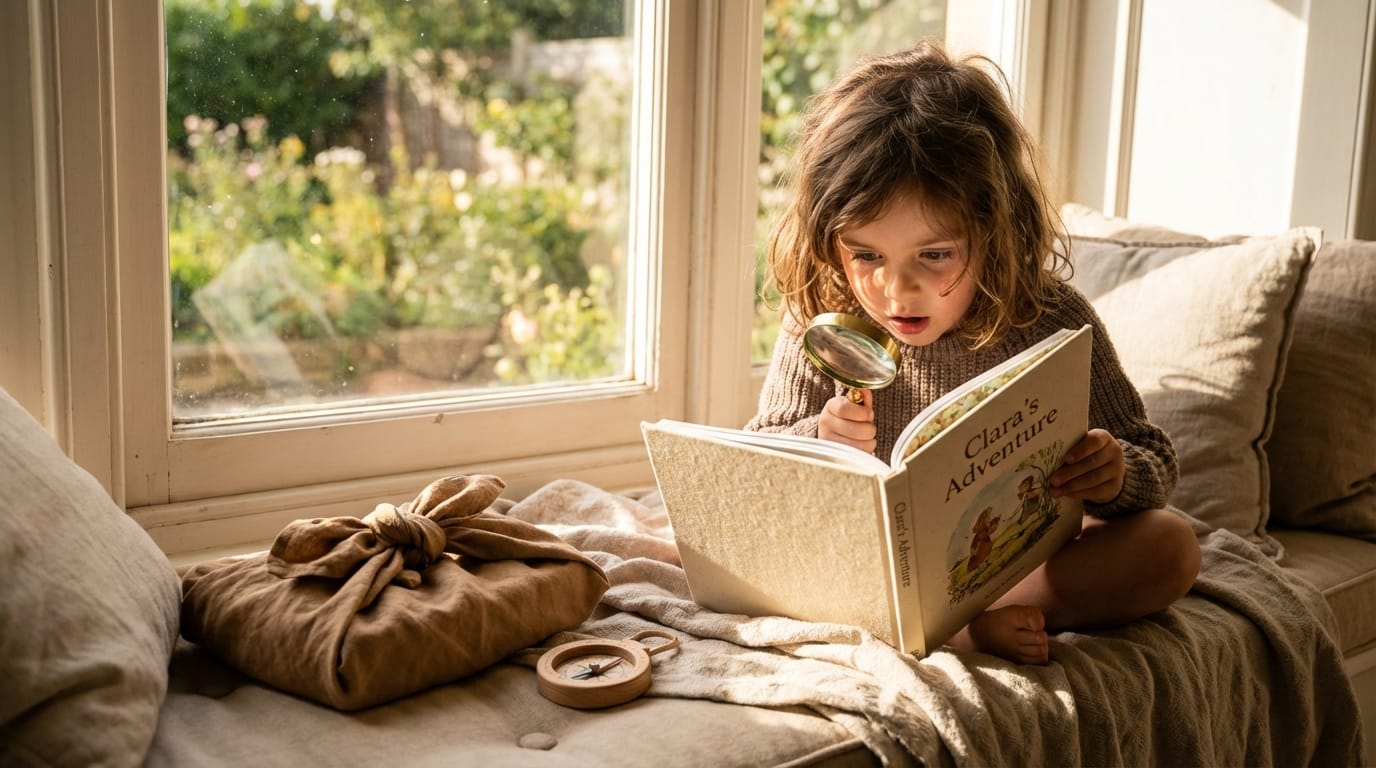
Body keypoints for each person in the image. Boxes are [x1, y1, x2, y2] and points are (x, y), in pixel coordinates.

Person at [746, 40, 1201, 665]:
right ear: (833, 243)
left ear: (995, 230)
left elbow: (1154, 460)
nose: (895, 289)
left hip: (1005, 567)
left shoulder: (1049, 319)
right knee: (761, 553)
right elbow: (761, 458)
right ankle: (954, 629)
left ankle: (963, 617)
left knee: (1169, 546)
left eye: (935, 256)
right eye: (867, 256)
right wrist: (818, 441)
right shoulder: (822, 322)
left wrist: (1114, 473)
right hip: (865, 566)